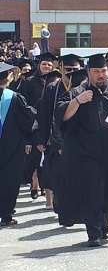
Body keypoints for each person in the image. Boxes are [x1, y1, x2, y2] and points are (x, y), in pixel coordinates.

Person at [54, 53, 108, 247]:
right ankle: (93, 232)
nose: (101, 75)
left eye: (104, 71)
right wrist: (77, 101)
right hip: (87, 154)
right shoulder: (78, 92)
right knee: (93, 190)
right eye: (96, 72)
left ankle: (104, 224)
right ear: (88, 72)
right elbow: (62, 117)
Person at [35, 54, 82, 211]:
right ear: (60, 68)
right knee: (58, 173)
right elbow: (44, 114)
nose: (71, 72)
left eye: (75, 69)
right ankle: (61, 204)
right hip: (56, 138)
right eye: (67, 69)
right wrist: (42, 139)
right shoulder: (52, 88)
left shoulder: (84, 87)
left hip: (80, 138)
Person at [0, 62, 37, 226]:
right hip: (11, 148)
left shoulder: (13, 98)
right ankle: (6, 215)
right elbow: (29, 119)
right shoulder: (13, 98)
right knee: (9, 180)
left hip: (11, 147)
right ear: (8, 78)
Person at [20, 52, 59, 200]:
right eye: (44, 64)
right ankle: (35, 182)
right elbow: (25, 104)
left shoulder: (56, 82)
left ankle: (45, 186)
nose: (47, 66)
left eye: (49, 64)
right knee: (36, 156)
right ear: (39, 65)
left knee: (47, 157)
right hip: (34, 121)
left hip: (49, 121)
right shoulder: (29, 82)